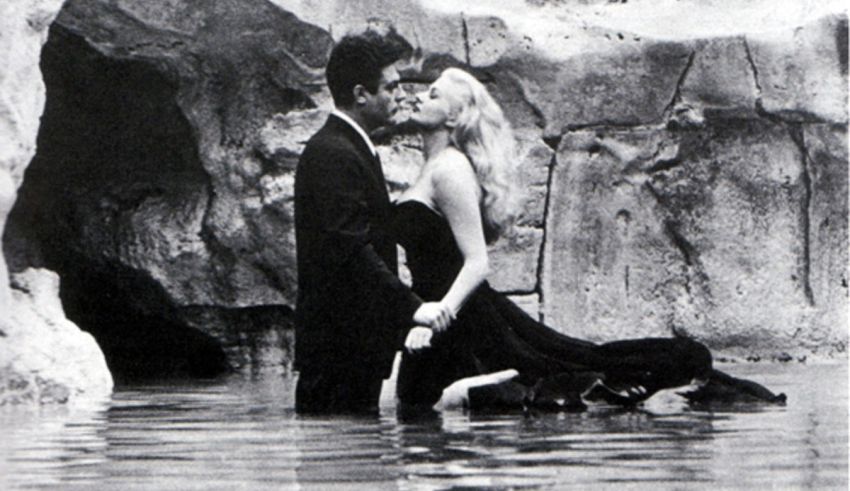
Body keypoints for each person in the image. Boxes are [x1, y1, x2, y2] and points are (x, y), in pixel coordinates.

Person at [392, 67, 784, 410]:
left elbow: (477, 262)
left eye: (433, 94)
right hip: (445, 314)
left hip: (458, 317)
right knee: (425, 402)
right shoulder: (434, 167)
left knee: (573, 368)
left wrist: (437, 317)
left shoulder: (449, 169)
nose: (417, 97)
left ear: (455, 115)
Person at [293, 30, 452, 414]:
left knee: (354, 463)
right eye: (391, 87)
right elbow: (350, 249)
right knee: (342, 462)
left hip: (352, 350)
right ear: (361, 94)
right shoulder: (333, 153)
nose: (400, 96)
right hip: (338, 353)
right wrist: (413, 307)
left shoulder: (348, 147)